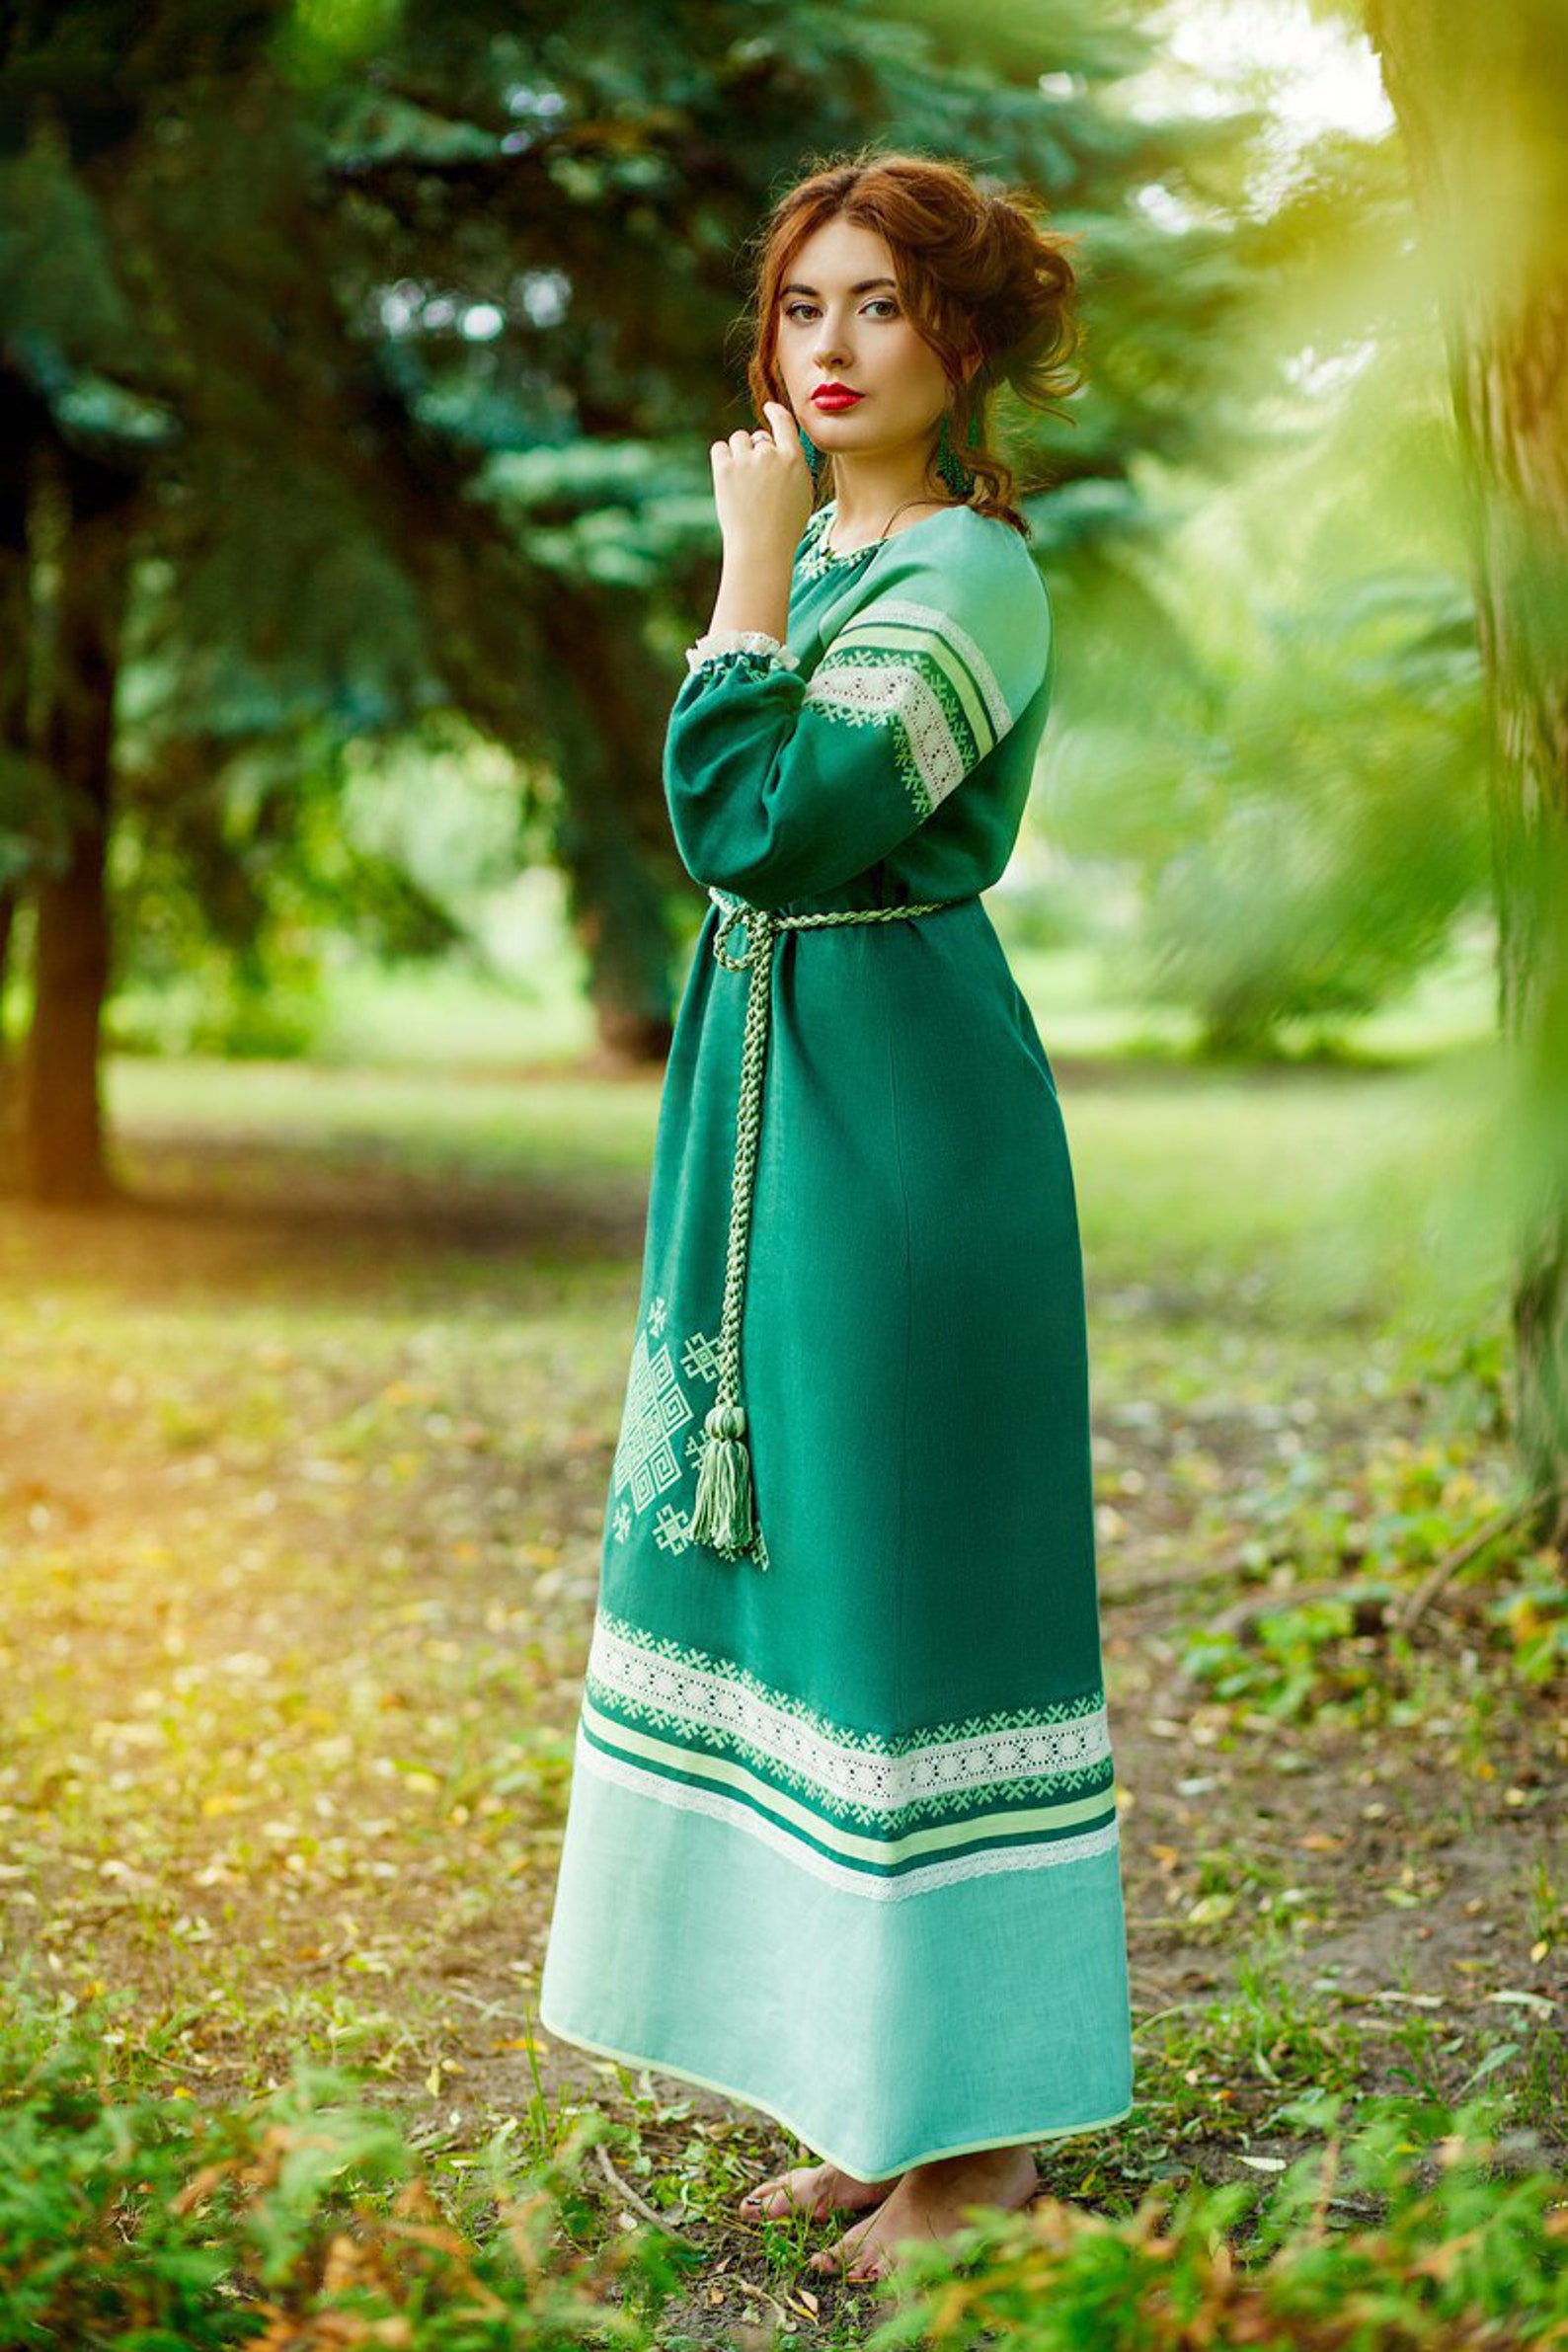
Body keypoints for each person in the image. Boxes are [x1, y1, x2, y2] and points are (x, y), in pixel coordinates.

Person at [538, 146, 1135, 2289]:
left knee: (913, 1608)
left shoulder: (971, 575)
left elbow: (762, 825)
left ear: (959, 336)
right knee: (805, 1605)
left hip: (901, 1131)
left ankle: (984, 2161)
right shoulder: (828, 556)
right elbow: (738, 836)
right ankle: (878, 2110)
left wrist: (739, 572)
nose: (831, 346)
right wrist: (773, 568)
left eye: (878, 303)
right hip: (763, 1104)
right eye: (802, 308)